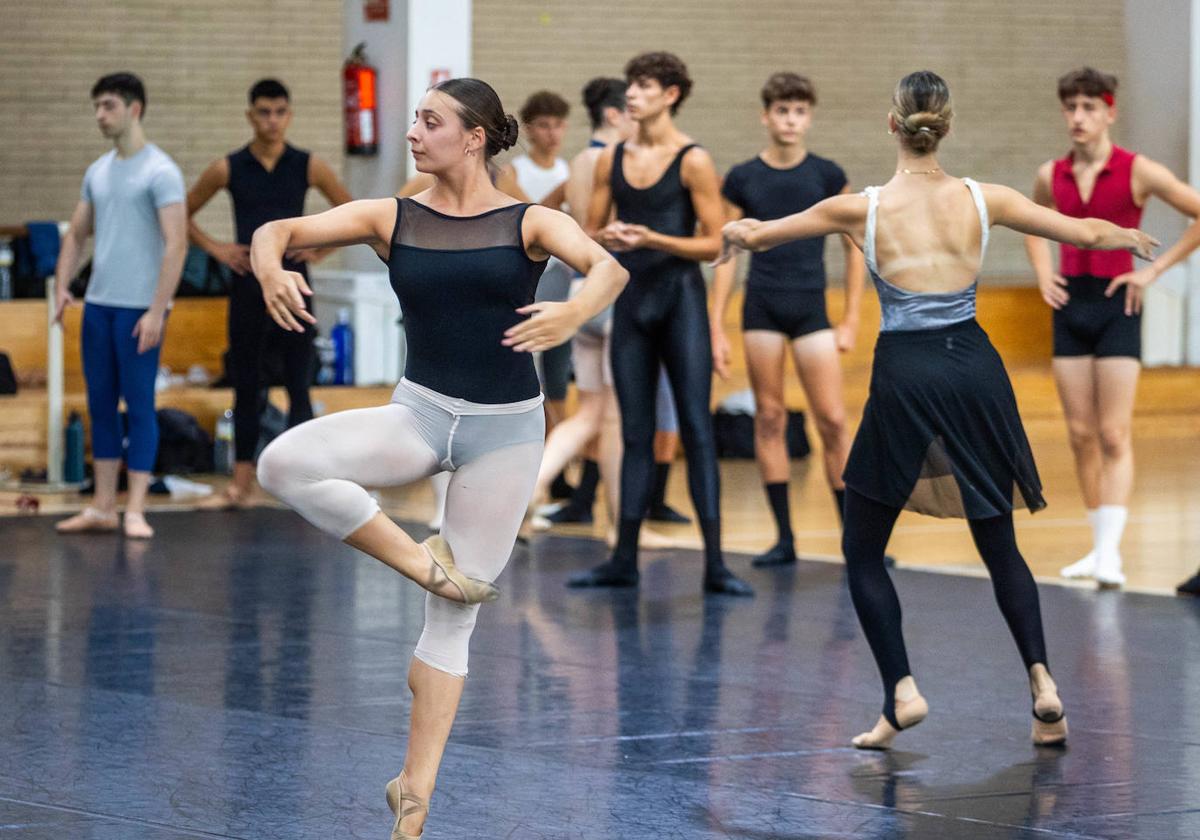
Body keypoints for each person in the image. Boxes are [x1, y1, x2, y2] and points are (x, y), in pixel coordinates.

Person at [720, 70, 1156, 749]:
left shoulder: (856, 207)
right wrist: (1129, 239)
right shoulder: (988, 198)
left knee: (862, 550)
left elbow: (761, 234)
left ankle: (901, 692)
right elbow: (1086, 232)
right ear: (944, 128)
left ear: (892, 126)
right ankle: (1043, 684)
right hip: (975, 368)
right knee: (997, 539)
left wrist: (735, 232)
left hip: (907, 372)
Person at [247, 77, 627, 838]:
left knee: (453, 622)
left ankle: (412, 803)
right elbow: (275, 231)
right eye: (415, 120)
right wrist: (269, 268)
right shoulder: (392, 216)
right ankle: (421, 563)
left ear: (475, 136)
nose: (413, 133)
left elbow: (609, 268)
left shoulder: (530, 221)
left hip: (506, 433)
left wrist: (575, 309)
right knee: (282, 463)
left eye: (429, 121)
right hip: (418, 416)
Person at [567, 51, 753, 596]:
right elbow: (589, 232)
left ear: (671, 94)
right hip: (632, 304)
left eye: (645, 86)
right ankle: (623, 557)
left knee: (695, 427)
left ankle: (716, 564)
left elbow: (719, 242)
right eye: (631, 84)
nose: (633, 93)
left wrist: (653, 239)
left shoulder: (692, 159)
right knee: (633, 431)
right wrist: (611, 238)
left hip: (680, 304)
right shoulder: (611, 159)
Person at [1024, 67, 1200, 589]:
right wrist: (1041, 273)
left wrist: (1153, 271)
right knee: (1080, 434)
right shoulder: (1049, 173)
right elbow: (1030, 221)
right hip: (1070, 306)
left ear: (1109, 112)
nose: (1078, 118)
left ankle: (1109, 553)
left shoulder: (1137, 170)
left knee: (1113, 432)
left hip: (1119, 301)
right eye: (1070, 107)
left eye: (1089, 108)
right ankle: (1097, 545)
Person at [711, 71, 865, 567]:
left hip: (812, 309)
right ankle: (784, 538)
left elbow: (855, 245)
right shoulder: (742, 177)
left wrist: (852, 317)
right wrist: (717, 324)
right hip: (762, 308)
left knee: (835, 422)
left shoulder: (827, 174)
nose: (790, 120)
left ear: (809, 118)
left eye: (799, 111)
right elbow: (727, 252)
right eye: (782, 110)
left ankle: (855, 541)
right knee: (770, 418)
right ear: (766, 115)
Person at [187, 78, 352, 509]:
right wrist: (218, 249)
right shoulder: (228, 167)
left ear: (290, 115)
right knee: (246, 385)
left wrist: (320, 249)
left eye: (280, 112)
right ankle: (240, 485)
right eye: (264, 112)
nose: (272, 121)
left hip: (295, 283)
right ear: (250, 115)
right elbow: (182, 213)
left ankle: (303, 483)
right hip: (247, 285)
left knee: (299, 383)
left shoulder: (308, 165)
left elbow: (352, 211)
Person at [54, 72, 187, 540]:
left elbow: (176, 245)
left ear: (134, 109)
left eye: (107, 105)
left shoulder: (161, 172)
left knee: (141, 406)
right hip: (99, 307)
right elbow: (75, 233)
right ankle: (102, 506)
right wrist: (62, 285)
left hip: (138, 312)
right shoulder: (98, 171)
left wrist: (157, 310)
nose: (99, 115)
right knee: (100, 405)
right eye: (96, 106)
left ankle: (135, 509)